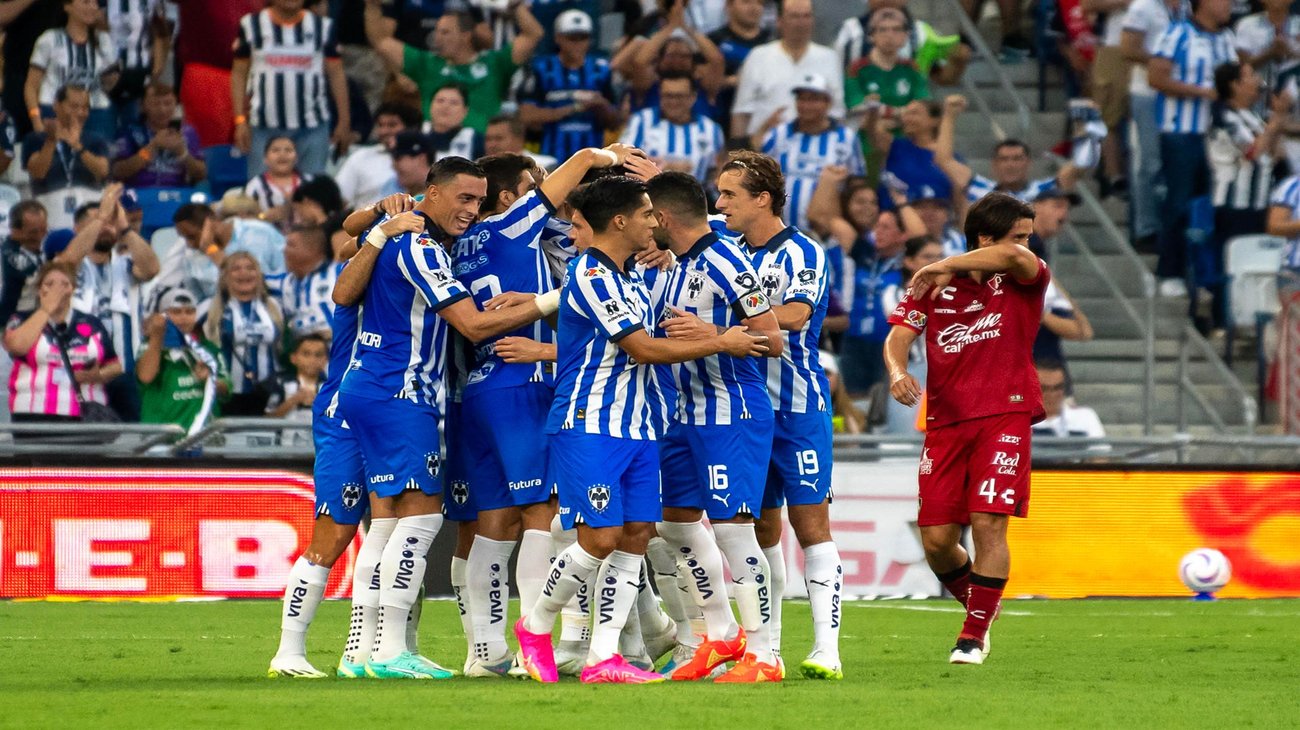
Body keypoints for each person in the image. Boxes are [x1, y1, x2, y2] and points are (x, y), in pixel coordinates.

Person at [512, 174, 769, 685]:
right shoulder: (593, 275)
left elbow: (706, 224)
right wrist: (723, 341)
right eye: (648, 212)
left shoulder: (628, 274)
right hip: (590, 423)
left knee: (634, 536)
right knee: (598, 538)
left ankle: (604, 658)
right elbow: (643, 349)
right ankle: (535, 626)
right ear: (622, 221)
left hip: (639, 424)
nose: (656, 220)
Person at [334, 156, 557, 679]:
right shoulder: (419, 245)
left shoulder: (403, 234)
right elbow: (476, 327)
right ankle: (390, 651)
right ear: (430, 193)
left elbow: (345, 267)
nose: (471, 210)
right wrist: (553, 300)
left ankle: (360, 652)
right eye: (463, 199)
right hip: (400, 388)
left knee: (387, 523)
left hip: (374, 385)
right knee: (421, 517)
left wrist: (376, 223)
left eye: (478, 201)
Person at [450, 144, 642, 677]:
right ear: (511, 196)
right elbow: (573, 172)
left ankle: (484, 653)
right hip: (525, 380)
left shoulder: (460, 242)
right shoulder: (509, 225)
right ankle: (547, 644)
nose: (545, 189)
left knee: (493, 523)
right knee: (546, 514)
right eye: (536, 181)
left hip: (481, 385)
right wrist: (602, 157)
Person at [884, 192, 1050, 665]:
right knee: (936, 539)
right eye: (1019, 234)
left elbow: (1014, 257)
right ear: (984, 235)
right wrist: (898, 372)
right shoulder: (935, 286)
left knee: (988, 524)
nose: (1028, 244)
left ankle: (972, 637)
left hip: (1005, 413)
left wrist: (946, 263)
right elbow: (898, 336)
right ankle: (983, 608)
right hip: (946, 420)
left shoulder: (1021, 275)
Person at [635, 169, 784, 683]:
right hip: (683, 414)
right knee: (673, 522)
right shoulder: (677, 262)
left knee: (733, 531)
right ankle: (720, 633)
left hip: (731, 413)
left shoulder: (727, 261)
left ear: (662, 218)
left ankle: (765, 655)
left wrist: (716, 331)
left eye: (645, 214)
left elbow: (773, 340)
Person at [712, 152, 845, 681]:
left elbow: (795, 316)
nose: (719, 205)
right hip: (745, 409)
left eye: (729, 196)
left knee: (810, 525)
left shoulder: (803, 251)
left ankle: (826, 649)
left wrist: (735, 326)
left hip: (797, 408)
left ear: (762, 199)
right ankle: (770, 650)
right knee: (760, 529)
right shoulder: (726, 249)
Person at [1148, 0, 1239, 297]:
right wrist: (1202, 92)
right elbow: (1156, 77)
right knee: (1180, 201)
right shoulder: (1177, 33)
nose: (1230, 5)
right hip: (1181, 131)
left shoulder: (1227, 38)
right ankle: (1169, 270)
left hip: (1218, 135)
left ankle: (1203, 273)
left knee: (1211, 205)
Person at [366, 2, 542, 133]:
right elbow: (381, 41)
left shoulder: (494, 63)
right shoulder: (427, 64)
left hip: (483, 152)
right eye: (437, 32)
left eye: (445, 32)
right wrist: (371, 5)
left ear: (465, 36)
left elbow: (534, 34)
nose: (437, 38)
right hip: (437, 152)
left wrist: (516, 5)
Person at [1205, 62, 1287, 334]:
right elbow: (1252, 151)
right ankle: (1222, 319)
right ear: (1234, 85)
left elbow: (1275, 156)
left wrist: (1275, 124)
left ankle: (1253, 318)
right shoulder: (1222, 116)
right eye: (1250, 76)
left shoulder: (1253, 116)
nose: (1257, 82)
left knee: (1259, 261)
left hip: (1260, 203)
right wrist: (1276, 121)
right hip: (1232, 204)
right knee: (1231, 261)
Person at [232, 0, 350, 178]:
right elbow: (239, 74)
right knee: (261, 191)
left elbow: (337, 75)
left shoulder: (323, 27)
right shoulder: (251, 25)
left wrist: (344, 121)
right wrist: (240, 120)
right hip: (263, 126)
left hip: (313, 126)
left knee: (312, 193)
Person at [4, 260, 121, 425]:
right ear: (39, 290)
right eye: (49, 284)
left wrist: (98, 375)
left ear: (72, 289)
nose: (57, 290)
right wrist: (46, 310)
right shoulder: (21, 319)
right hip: (34, 414)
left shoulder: (92, 323)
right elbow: (16, 346)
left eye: (64, 284)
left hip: (85, 414)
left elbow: (115, 365)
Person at [755, 73, 865, 233]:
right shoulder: (778, 134)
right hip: (778, 230)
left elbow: (857, 184)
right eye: (801, 99)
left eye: (813, 99)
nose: (806, 105)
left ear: (828, 102)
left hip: (826, 233)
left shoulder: (846, 138)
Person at [1121, 0, 1186, 250]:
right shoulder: (1144, 6)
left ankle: (1171, 225)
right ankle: (1146, 228)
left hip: (1180, 94)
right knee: (1149, 161)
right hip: (1147, 92)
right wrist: (1164, 62)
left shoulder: (1188, 8)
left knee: (1177, 162)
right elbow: (1128, 48)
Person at [516, 9, 622, 163]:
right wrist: (575, 108)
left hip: (593, 157)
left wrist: (601, 106)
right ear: (558, 38)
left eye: (583, 37)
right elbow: (526, 115)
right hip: (551, 157)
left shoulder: (602, 70)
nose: (578, 44)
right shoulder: (541, 68)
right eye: (572, 38)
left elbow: (615, 122)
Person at [730, 0, 843, 141]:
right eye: (794, 16)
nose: (801, 23)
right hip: (765, 148)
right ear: (779, 21)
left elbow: (837, 112)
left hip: (817, 147)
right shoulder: (758, 55)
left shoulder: (829, 57)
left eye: (806, 16)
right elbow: (741, 112)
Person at [843, 7, 930, 173]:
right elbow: (857, 108)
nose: (889, 35)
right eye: (882, 30)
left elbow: (921, 108)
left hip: (906, 145)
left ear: (906, 36)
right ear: (871, 35)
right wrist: (899, 113)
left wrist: (880, 112)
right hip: (866, 147)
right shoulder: (857, 70)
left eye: (896, 29)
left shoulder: (912, 70)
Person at [202, 252, 283, 417]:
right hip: (228, 393)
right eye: (236, 269)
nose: (244, 273)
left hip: (267, 391)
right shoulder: (211, 307)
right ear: (225, 276)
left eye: (250, 268)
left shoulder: (272, 306)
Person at [137, 288, 228, 434]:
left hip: (202, 438)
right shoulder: (149, 346)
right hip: (160, 439)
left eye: (189, 312)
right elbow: (146, 377)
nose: (183, 317)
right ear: (162, 315)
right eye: (176, 312)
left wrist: (210, 380)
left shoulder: (208, 349)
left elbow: (227, 389)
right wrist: (157, 337)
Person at [25, 0, 118, 142]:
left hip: (97, 113)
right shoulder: (49, 39)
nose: (92, 7)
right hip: (54, 110)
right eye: (85, 2)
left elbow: (110, 84)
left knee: (95, 161)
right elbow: (31, 86)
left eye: (95, 3)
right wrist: (36, 119)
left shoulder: (104, 40)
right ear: (67, 6)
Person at [21, 84, 110, 229]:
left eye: (85, 108)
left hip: (88, 215)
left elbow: (102, 172)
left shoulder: (95, 140)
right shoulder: (36, 139)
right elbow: (38, 172)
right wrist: (50, 141)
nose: (81, 112)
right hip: (49, 214)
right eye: (74, 107)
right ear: (56, 105)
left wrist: (77, 146)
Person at [160, 203, 286, 301]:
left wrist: (211, 249)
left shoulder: (260, 233)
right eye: (184, 238)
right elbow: (195, 299)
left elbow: (279, 280)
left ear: (210, 224)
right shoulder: (191, 255)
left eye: (191, 237)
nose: (189, 244)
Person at [619, 71, 726, 181]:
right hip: (646, 193)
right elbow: (622, 158)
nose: (673, 102)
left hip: (696, 195)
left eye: (679, 96)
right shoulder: (641, 121)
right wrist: (662, 166)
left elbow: (716, 172)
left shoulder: (712, 129)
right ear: (660, 95)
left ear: (693, 97)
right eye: (668, 96)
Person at [110, 82, 206, 188]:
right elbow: (118, 172)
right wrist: (152, 148)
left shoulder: (188, 133)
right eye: (155, 104)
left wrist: (182, 153)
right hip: (139, 192)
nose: (162, 110)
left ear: (176, 104)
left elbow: (201, 175)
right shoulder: (129, 131)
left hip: (177, 193)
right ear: (142, 106)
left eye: (168, 103)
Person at [334, 102, 421, 210]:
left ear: (411, 128)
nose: (384, 131)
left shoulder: (426, 157)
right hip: (367, 224)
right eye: (380, 125)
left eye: (392, 125)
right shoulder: (360, 158)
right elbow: (339, 200)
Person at [103, 0, 170, 132]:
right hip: (105, 76)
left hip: (139, 75)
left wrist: (156, 72)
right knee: (104, 137)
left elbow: (161, 33)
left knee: (134, 134)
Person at [708, 0, 771, 138]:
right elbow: (702, 83)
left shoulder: (771, 42)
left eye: (759, 3)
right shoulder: (714, 41)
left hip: (761, 119)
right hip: (723, 116)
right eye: (746, 2)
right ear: (729, 6)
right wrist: (732, 81)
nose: (753, 7)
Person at [268, 225, 338, 340]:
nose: (284, 250)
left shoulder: (339, 273)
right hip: (304, 353)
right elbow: (252, 279)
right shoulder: (284, 283)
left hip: (339, 351)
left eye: (290, 245)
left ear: (312, 249)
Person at [264, 333, 329, 442]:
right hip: (286, 450)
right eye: (306, 354)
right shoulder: (281, 384)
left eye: (318, 355)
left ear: (325, 360)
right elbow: (268, 419)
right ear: (294, 358)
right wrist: (293, 401)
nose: (312, 360)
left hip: (321, 452)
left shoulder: (331, 388)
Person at [0, 201, 50, 329]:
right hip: (10, 327)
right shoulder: (7, 254)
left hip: (39, 323)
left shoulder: (47, 247)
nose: (40, 236)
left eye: (44, 230)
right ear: (14, 230)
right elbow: (36, 277)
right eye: (33, 232)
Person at [1031, 358, 1106, 437]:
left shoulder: (1085, 417)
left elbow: (1100, 448)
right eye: (1044, 388)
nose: (1051, 394)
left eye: (1057, 388)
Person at [243, 136, 308, 228]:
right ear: (265, 159)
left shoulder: (308, 182)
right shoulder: (255, 185)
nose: (282, 155)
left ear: (296, 158)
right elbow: (245, 219)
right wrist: (263, 217)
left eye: (288, 150)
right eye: (275, 150)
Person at [423, 86, 485, 162]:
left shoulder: (476, 140)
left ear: (465, 111)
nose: (445, 106)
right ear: (430, 106)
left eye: (454, 103)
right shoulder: (416, 131)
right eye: (440, 101)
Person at [484, 114, 557, 171]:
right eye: (488, 139)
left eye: (498, 138)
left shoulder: (545, 165)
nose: (491, 145)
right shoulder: (478, 172)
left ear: (519, 139)